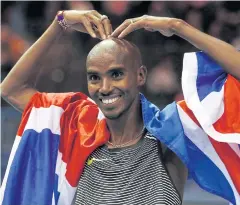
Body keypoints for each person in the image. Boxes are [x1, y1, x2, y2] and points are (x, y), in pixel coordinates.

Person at [0, 10, 239, 205]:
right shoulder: (77, 129)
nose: (104, 87)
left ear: (140, 75)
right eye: (94, 77)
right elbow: (11, 89)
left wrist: (177, 26)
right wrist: (59, 22)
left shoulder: (172, 133)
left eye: (116, 74)